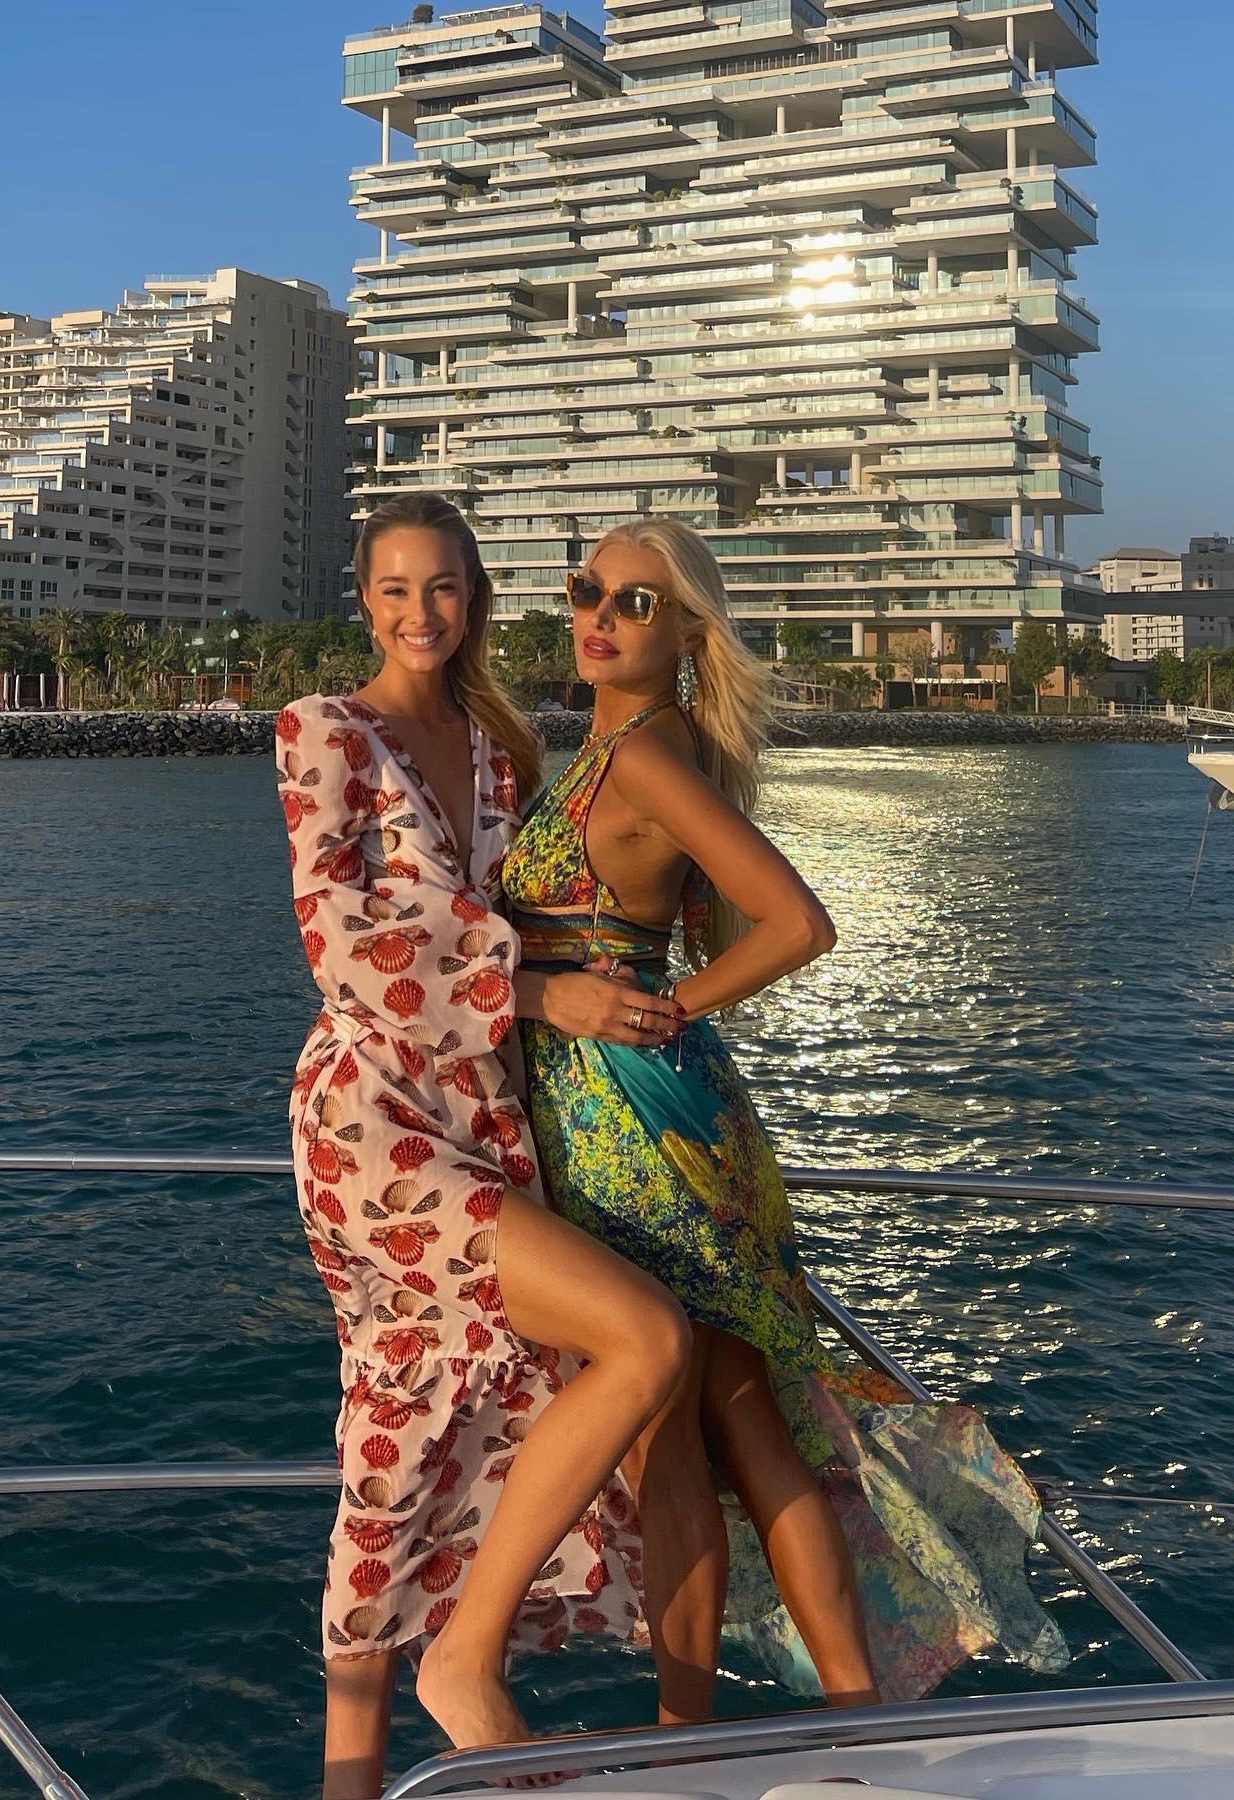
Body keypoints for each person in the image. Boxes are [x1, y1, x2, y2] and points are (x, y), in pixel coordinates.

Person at [503, 517, 1069, 1723]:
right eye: (588, 589)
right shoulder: (617, 749)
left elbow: (799, 923)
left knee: (675, 1437)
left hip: (635, 1124)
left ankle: (690, 1730)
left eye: (638, 602)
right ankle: (848, 1711)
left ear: (688, 634)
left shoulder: (645, 757)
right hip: (649, 1112)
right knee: (741, 1416)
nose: (600, 616)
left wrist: (663, 1010)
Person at [277, 494, 694, 1800]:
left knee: (403, 1423)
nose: (422, 612)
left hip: (484, 1114)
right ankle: (461, 1664)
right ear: (365, 600)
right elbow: (341, 947)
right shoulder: (323, 731)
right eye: (397, 589)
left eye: (445, 587)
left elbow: (572, 897)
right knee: (645, 1339)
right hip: (370, 1122)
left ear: (478, 601)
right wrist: (541, 996)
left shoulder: (497, 750)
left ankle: (372, 1755)